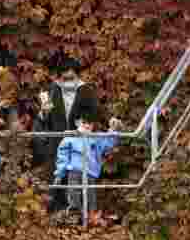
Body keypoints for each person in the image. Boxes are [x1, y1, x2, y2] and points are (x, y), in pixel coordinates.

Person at [33, 59, 99, 211]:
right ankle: (54, 214)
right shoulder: (52, 90)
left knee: (77, 181)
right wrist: (43, 112)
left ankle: (78, 214)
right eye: (65, 78)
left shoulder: (86, 90)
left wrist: (86, 125)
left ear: (77, 76)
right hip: (56, 144)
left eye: (71, 78)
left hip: (78, 145)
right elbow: (42, 120)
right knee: (55, 179)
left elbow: (94, 115)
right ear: (59, 77)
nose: (68, 81)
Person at [52, 113, 124, 219]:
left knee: (91, 194)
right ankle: (75, 213)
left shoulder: (95, 138)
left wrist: (114, 130)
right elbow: (63, 155)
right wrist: (60, 173)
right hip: (75, 170)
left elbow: (108, 143)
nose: (87, 126)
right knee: (73, 192)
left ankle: (92, 214)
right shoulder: (71, 136)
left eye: (90, 123)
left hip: (90, 171)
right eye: (84, 122)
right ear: (77, 123)